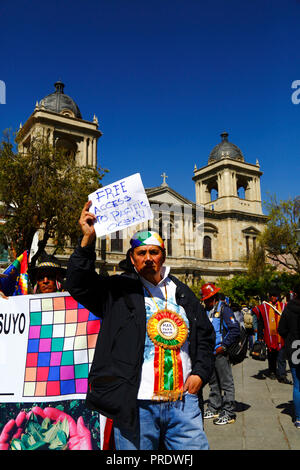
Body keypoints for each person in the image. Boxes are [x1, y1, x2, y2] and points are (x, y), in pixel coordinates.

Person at [66, 201, 216, 451]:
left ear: (163, 256)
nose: (148, 258)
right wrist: (87, 240)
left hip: (182, 404)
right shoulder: (117, 290)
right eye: (141, 253)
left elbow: (206, 336)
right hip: (136, 406)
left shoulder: (183, 292)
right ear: (133, 260)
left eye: (154, 252)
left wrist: (200, 373)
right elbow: (78, 285)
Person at [201, 283, 240, 425]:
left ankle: (229, 412)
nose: (206, 302)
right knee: (213, 382)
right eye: (204, 300)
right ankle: (214, 406)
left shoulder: (224, 309)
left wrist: (223, 346)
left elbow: (235, 330)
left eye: (208, 299)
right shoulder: (206, 310)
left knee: (226, 382)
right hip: (209, 353)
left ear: (214, 297)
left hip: (220, 352)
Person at [252, 289, 291, 384]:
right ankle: (272, 371)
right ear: (269, 297)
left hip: (281, 337)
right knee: (271, 356)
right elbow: (260, 323)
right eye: (272, 296)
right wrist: (260, 336)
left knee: (281, 357)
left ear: (277, 297)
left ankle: (281, 375)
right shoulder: (264, 307)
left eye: (275, 296)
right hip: (269, 337)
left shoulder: (283, 306)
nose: (273, 298)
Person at [278, 284, 300, 428]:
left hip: (294, 347)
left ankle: (298, 418)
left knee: (297, 384)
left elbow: (281, 329)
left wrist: (290, 338)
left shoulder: (288, 309)